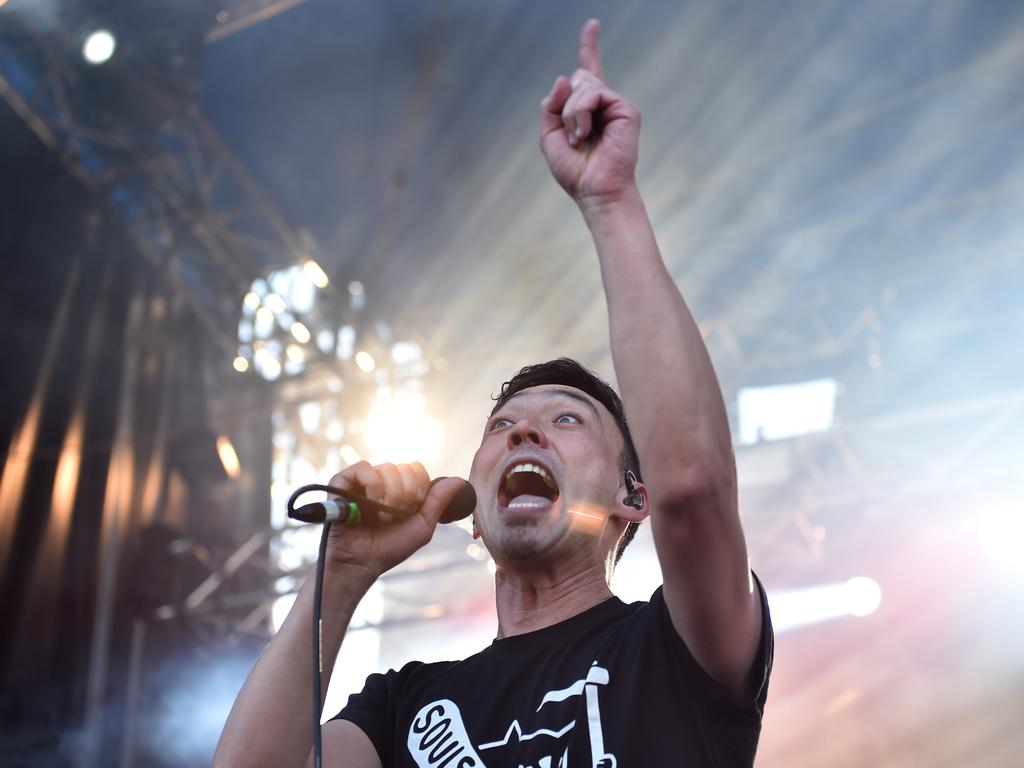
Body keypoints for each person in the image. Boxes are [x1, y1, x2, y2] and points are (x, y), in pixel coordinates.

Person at [215, 19, 772, 768]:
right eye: (503, 424)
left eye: (566, 420)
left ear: (631, 498)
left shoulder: (674, 651)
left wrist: (610, 203)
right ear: (472, 515)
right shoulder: (401, 709)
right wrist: (340, 576)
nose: (523, 434)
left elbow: (696, 488)